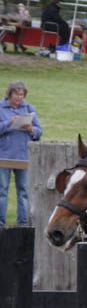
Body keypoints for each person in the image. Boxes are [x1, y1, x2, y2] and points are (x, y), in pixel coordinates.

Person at [0, 81, 43, 228]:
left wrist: (31, 129)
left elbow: (39, 132)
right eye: (16, 94)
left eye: (21, 94)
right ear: (9, 94)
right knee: (2, 190)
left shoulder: (29, 108)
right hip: (3, 157)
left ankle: (23, 223)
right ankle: (1, 222)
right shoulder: (0, 108)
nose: (19, 97)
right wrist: (8, 123)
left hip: (23, 156)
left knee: (23, 190)